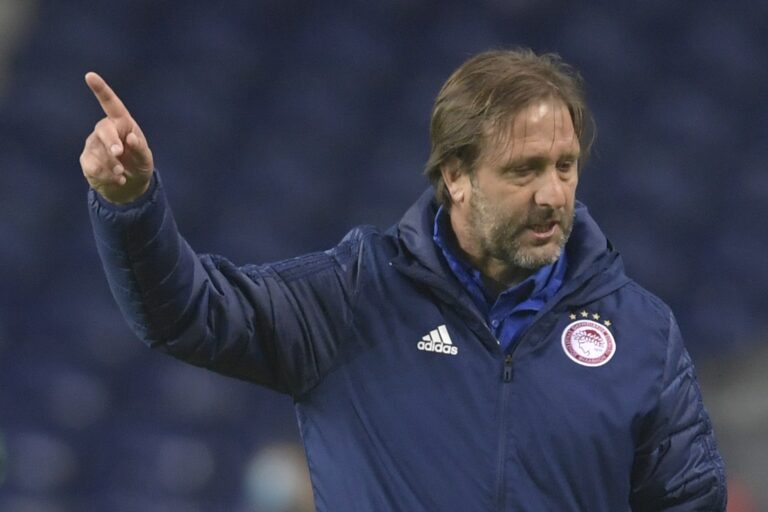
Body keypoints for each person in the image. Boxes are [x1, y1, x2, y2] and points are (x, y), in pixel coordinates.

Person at [80, 49, 727, 511]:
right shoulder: (354, 296)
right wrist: (132, 207)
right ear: (456, 176)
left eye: (565, 165)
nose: (553, 194)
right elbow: (190, 314)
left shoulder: (641, 335)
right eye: (524, 170)